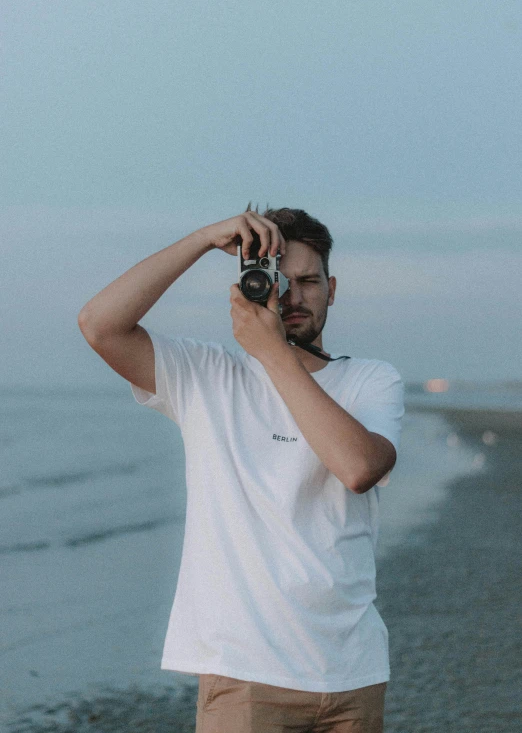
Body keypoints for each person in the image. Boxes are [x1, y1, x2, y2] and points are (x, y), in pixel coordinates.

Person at [78, 205, 404, 733]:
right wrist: (204, 239)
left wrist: (272, 350)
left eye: (308, 281)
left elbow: (358, 467)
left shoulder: (370, 380)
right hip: (246, 671)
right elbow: (99, 325)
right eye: (280, 280)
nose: (293, 297)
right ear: (254, 283)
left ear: (332, 288)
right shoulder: (209, 376)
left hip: (351, 672)